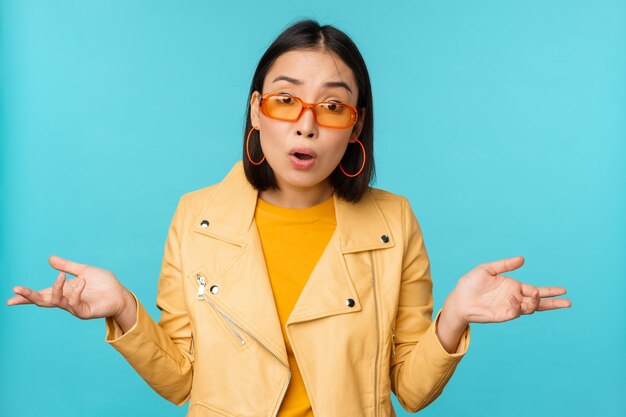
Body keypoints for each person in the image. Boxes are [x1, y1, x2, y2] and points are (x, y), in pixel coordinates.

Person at [6, 19, 571, 417]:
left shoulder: (393, 220)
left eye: (331, 105)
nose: (306, 124)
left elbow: (409, 390)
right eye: (285, 99)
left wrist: (455, 318)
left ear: (355, 124)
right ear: (256, 111)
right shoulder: (196, 216)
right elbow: (182, 381)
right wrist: (124, 311)